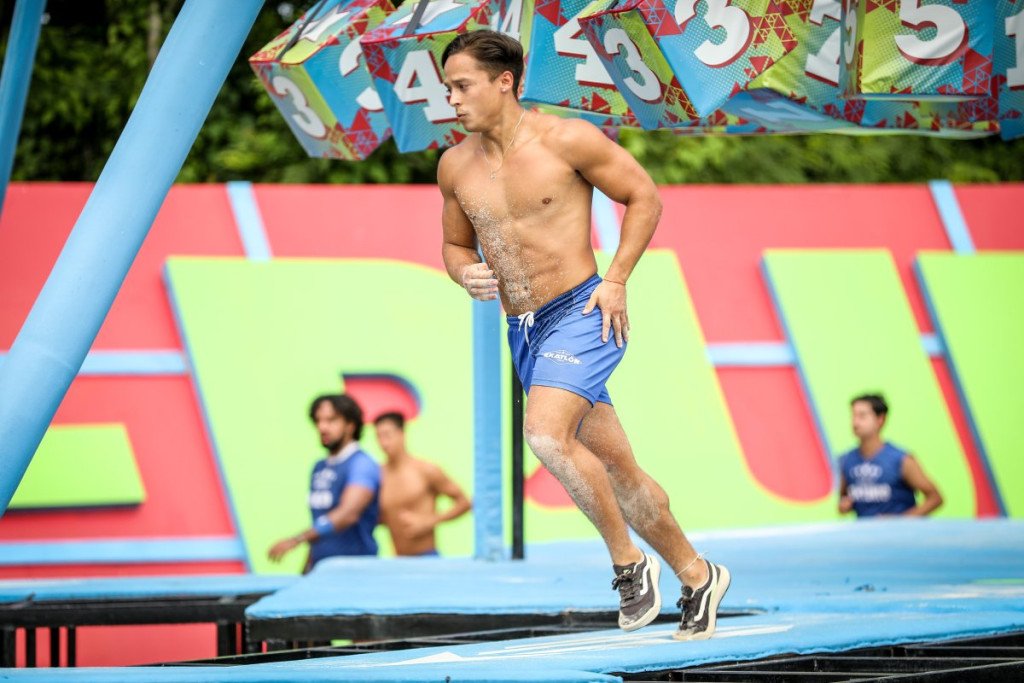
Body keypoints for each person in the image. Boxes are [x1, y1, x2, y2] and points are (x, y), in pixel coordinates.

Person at [437, 30, 729, 640]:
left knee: (546, 435)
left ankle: (629, 564)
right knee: (619, 471)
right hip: (525, 331)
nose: (453, 100)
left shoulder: (566, 139)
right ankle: (699, 575)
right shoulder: (454, 165)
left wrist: (616, 279)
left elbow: (644, 198)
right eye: (448, 89)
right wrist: (464, 272)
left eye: (462, 86)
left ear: (504, 82)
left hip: (583, 311)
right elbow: (455, 244)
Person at [268, 394, 381, 571]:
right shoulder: (319, 467)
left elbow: (347, 514)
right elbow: (321, 524)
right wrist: (308, 568)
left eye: (331, 420)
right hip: (323, 570)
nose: (322, 427)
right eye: (318, 421)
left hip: (356, 571)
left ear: (350, 425)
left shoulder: (361, 464)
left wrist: (296, 540)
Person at [373, 412, 472, 556]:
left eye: (387, 435)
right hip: (398, 559)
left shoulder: (425, 470)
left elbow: (464, 502)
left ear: (402, 434)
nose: (383, 443)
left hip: (427, 557)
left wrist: (429, 521)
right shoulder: (377, 475)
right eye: (379, 437)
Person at [838, 394, 943, 518]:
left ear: (880, 419)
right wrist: (844, 505)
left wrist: (901, 521)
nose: (855, 422)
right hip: (864, 530)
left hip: (898, 530)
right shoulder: (847, 460)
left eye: (862, 416)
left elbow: (935, 498)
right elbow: (843, 499)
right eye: (853, 416)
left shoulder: (900, 459)